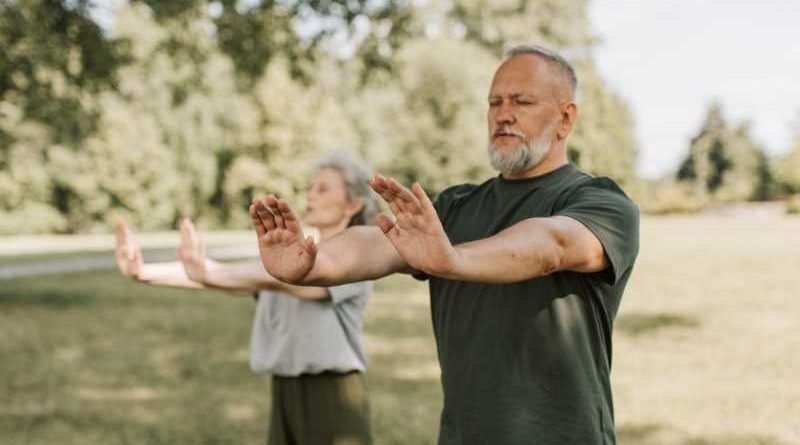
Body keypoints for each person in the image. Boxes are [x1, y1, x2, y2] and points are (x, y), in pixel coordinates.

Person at [249, 44, 640, 445]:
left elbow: (552, 245)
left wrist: (453, 260)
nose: (503, 114)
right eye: (494, 102)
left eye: (522, 101)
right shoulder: (456, 208)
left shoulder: (601, 202)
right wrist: (311, 266)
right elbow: (376, 243)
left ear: (565, 118)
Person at [115, 150, 378, 445]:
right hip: (284, 389)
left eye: (323, 188)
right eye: (311, 187)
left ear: (353, 204)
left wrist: (208, 272)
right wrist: (142, 272)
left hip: (332, 395)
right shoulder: (288, 260)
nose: (311, 195)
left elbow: (295, 282)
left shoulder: (358, 257)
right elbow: (230, 277)